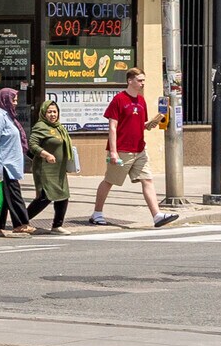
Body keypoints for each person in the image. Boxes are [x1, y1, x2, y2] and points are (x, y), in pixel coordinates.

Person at [88, 67, 178, 228]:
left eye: (144, 80)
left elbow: (139, 125)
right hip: (122, 149)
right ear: (130, 81)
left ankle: (157, 215)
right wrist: (114, 152)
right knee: (109, 181)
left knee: (147, 180)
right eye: (140, 80)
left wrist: (151, 123)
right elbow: (113, 127)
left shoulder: (141, 101)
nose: (143, 83)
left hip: (139, 149)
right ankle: (97, 213)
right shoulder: (119, 100)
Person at [0, 88, 35, 236]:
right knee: (13, 193)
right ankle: (21, 224)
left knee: (1, 194)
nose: (15, 103)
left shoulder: (6, 115)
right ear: (4, 99)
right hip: (1, 163)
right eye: (13, 100)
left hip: (7, 163)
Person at [27, 98, 76, 231]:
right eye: (49, 112)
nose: (52, 115)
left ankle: (57, 226)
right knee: (45, 197)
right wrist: (46, 154)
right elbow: (32, 145)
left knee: (63, 195)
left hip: (59, 169)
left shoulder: (59, 128)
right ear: (44, 113)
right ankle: (22, 221)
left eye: (55, 112)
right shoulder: (40, 127)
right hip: (45, 169)